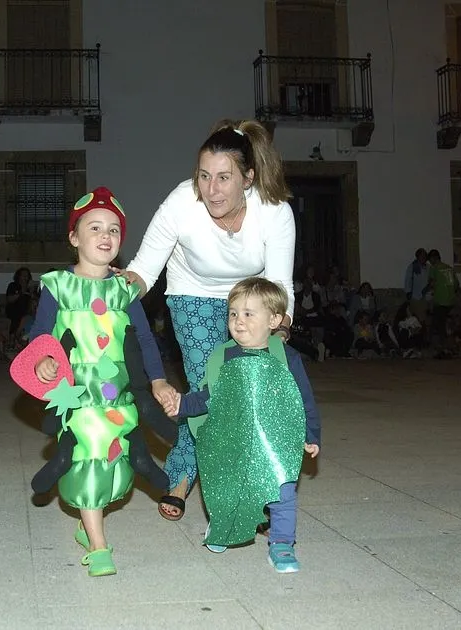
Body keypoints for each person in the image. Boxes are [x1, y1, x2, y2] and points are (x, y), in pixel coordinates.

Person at [120, 118, 296, 521]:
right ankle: (191, 479)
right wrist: (112, 288)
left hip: (249, 301)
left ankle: (240, 485)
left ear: (248, 179)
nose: (211, 189)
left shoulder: (274, 212)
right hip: (191, 296)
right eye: (203, 176)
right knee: (209, 390)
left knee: (243, 395)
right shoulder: (182, 203)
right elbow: (143, 270)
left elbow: (280, 284)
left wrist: (280, 330)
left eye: (223, 177)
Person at [24, 186, 178, 577]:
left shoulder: (125, 289)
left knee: (115, 462)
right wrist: (42, 358)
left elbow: (145, 339)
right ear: (74, 237)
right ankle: (98, 545)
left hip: (119, 397)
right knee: (87, 455)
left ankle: (87, 521)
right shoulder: (58, 286)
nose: (105, 235)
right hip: (76, 396)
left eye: (113, 229)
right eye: (94, 227)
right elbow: (40, 333)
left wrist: (158, 381)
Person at [162, 278, 320, 573]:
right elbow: (210, 396)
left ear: (274, 320)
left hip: (276, 441)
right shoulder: (223, 357)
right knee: (227, 486)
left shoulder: (287, 357)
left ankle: (282, 543)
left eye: (249, 313)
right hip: (234, 440)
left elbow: (303, 400)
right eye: (233, 313)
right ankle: (223, 526)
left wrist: (311, 435)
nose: (238, 320)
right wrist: (182, 404)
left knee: (282, 489)